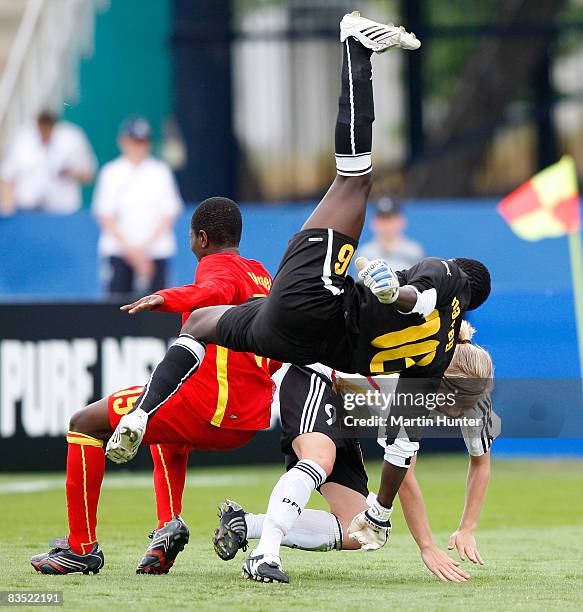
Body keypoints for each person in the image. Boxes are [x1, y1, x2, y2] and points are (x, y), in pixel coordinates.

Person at [109, 11, 490, 555]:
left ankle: (355, 47)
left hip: (318, 302)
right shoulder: (433, 365)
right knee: (205, 325)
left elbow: (425, 291)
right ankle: (258, 531)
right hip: (295, 341)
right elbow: (402, 447)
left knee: (354, 177)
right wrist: (381, 512)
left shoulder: (450, 280)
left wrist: (395, 292)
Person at [31, 198, 280, 575]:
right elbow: (274, 348)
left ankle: (81, 548)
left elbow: (211, 292)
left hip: (208, 409)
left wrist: (165, 297)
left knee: (84, 423)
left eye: (190, 238)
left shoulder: (217, 266)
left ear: (201, 238)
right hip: (248, 419)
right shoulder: (262, 275)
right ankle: (167, 528)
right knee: (164, 433)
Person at [213, 321, 497, 583]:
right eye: (456, 403)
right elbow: (404, 475)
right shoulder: (403, 384)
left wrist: (467, 528)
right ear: (439, 378)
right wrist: (427, 547)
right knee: (320, 458)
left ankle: (244, 525)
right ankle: (265, 554)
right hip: (315, 373)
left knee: (355, 530)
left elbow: (480, 463)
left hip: (346, 408)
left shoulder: (474, 396)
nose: (458, 413)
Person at [92, 116, 183, 296]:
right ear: (123, 142)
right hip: (120, 252)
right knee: (116, 307)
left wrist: (144, 249)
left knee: (159, 307)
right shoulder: (111, 172)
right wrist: (132, 253)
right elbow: (105, 216)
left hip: (155, 251)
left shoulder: (160, 172)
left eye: (142, 141)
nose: (138, 147)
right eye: (134, 141)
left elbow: (169, 214)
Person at [0, 110, 96, 215]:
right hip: (26, 211)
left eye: (48, 128)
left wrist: (70, 173)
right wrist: (8, 208)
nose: (44, 132)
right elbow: (7, 175)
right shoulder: (22, 137)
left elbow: (89, 175)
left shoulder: (73, 138)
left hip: (63, 212)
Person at [355, 196, 423, 271]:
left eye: (390, 219)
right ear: (374, 222)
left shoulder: (413, 251)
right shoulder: (365, 253)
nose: (387, 225)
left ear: (401, 221)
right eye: (382, 219)